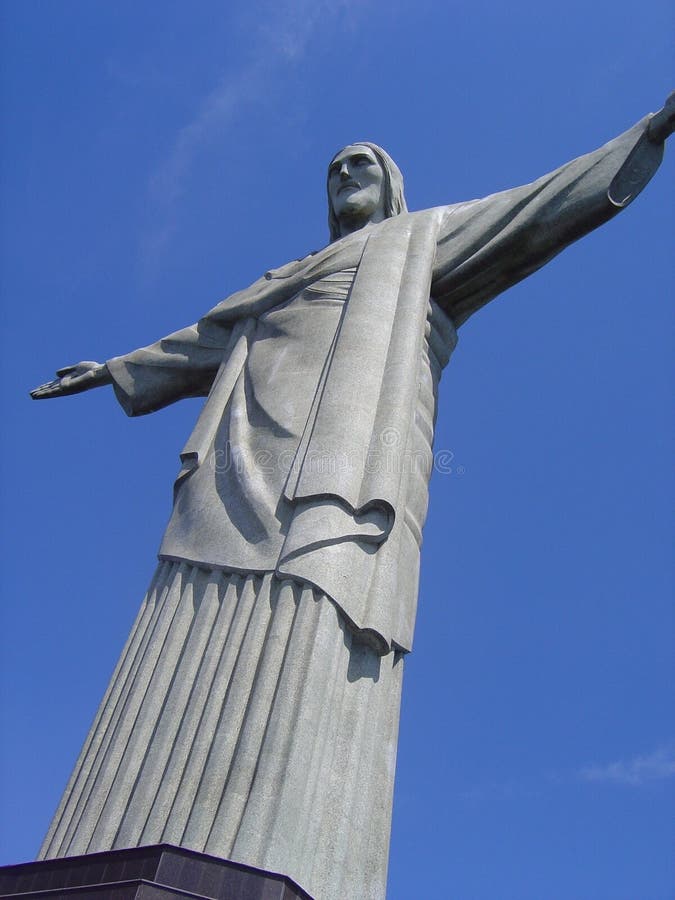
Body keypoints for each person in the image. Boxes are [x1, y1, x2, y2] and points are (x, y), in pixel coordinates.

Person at [30, 97, 673, 900]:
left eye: (358, 163)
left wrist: (650, 130)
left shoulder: (417, 244)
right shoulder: (283, 279)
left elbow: (537, 208)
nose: (343, 175)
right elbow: (202, 343)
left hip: (339, 461)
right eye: (332, 168)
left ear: (391, 184)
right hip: (237, 455)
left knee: (314, 604)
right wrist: (111, 369)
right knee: (184, 598)